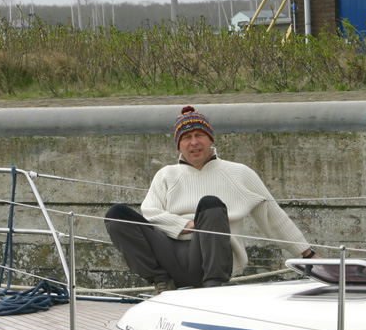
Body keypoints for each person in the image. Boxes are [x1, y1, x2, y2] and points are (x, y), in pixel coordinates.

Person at [105, 106, 318, 295]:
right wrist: (186, 225)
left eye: (199, 135)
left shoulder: (240, 173)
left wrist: (307, 255)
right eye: (187, 137)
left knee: (210, 204)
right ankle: (161, 281)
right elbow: (151, 213)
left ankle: (214, 286)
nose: (194, 142)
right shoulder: (166, 175)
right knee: (116, 215)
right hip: (169, 255)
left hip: (211, 259)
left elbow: (273, 217)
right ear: (179, 145)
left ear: (210, 139)